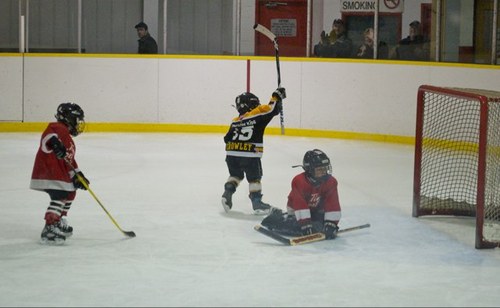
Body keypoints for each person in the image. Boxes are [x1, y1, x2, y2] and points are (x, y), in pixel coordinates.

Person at [30, 102, 89, 245]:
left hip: (59, 174)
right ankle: (50, 227)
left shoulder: (69, 139)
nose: (79, 124)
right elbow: (48, 135)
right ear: (68, 118)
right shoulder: (58, 128)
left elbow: (69, 160)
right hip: (49, 172)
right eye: (77, 120)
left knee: (70, 193)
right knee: (61, 195)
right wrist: (54, 142)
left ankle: (58, 220)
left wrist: (77, 175)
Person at [221, 87, 286, 215]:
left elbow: (226, 139)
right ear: (251, 104)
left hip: (231, 156)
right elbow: (272, 109)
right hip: (249, 156)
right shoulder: (257, 113)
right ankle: (257, 203)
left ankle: (227, 193)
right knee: (254, 179)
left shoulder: (235, 121)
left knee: (236, 176)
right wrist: (276, 96)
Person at [260, 149, 341, 239]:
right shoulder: (299, 181)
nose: (324, 172)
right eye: (320, 169)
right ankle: (277, 216)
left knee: (320, 226)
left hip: (316, 211)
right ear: (310, 170)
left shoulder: (331, 182)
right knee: (297, 227)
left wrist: (331, 223)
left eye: (325, 168)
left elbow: (332, 203)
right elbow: (300, 204)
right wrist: (305, 225)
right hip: (296, 212)